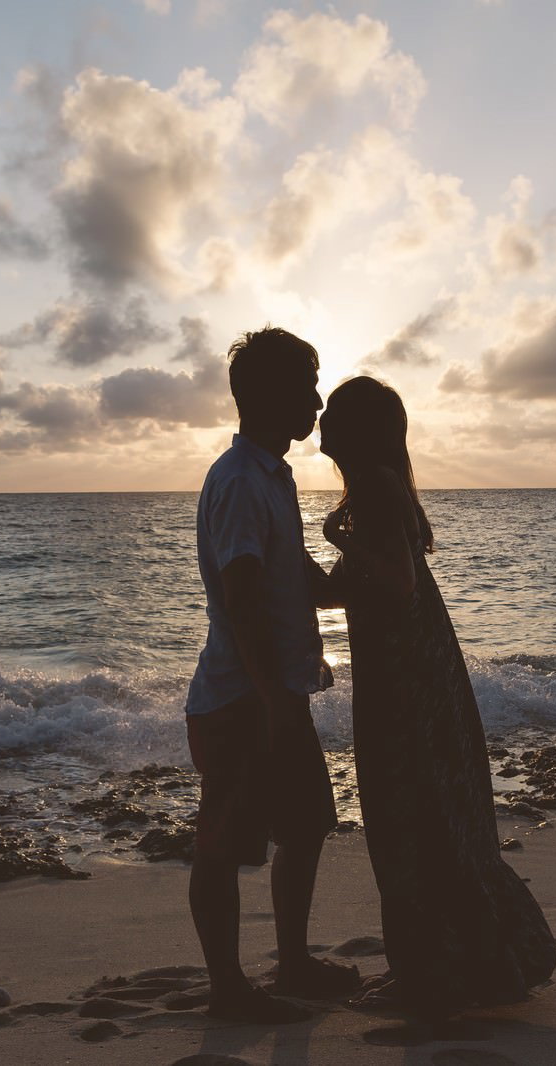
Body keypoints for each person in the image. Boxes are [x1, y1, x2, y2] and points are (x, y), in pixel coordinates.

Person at [318, 375, 556, 1019]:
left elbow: (394, 586)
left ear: (357, 432)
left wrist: (334, 536)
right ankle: (450, 963)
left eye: (333, 412)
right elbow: (348, 590)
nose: (320, 419)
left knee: (405, 819)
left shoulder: (372, 490)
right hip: (417, 671)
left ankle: (427, 973)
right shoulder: (379, 490)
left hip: (403, 681)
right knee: (428, 816)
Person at [184, 327, 361, 1023]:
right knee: (223, 846)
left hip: (272, 693)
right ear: (266, 396)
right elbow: (243, 594)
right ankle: (228, 987)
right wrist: (271, 700)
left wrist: (372, 583)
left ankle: (291, 963)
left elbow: (299, 581)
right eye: (306, 386)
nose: (317, 401)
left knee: (309, 824)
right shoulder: (237, 482)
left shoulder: (272, 476)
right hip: (241, 699)